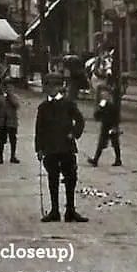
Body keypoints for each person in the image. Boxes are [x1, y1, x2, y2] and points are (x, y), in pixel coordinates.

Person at [35, 73, 87, 223]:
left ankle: (70, 210)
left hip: (67, 148)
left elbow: (80, 121)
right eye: (47, 85)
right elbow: (39, 129)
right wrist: (39, 148)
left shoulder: (68, 104)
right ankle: (55, 211)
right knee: (53, 179)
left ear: (59, 87)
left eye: (53, 85)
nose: (50, 88)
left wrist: (74, 134)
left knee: (71, 179)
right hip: (50, 149)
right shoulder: (43, 107)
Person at [88, 85, 122, 167]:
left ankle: (117, 159)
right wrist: (99, 108)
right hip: (105, 124)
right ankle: (96, 160)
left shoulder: (113, 104)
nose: (103, 96)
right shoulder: (104, 103)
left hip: (112, 125)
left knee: (114, 143)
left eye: (105, 94)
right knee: (102, 143)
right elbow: (97, 116)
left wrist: (115, 126)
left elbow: (117, 116)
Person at [0, 78, 20, 164]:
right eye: (7, 87)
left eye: (10, 87)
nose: (9, 89)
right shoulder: (0, 98)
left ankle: (13, 156)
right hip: (2, 122)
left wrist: (10, 97)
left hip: (12, 122)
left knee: (13, 140)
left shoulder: (15, 97)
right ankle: (0, 156)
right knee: (1, 140)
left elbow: (16, 106)